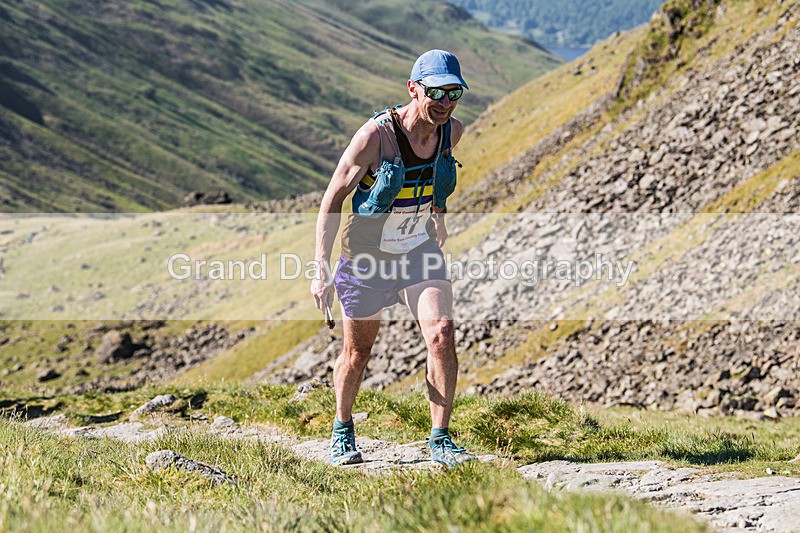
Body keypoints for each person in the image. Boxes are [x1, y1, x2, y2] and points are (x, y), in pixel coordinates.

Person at [310, 49, 474, 468]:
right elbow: (332, 201)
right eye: (435, 91)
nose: (445, 101)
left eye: (454, 91)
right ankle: (342, 428)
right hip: (366, 255)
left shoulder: (451, 131)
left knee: (441, 333)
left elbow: (438, 176)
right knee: (357, 353)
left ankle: (440, 438)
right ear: (413, 88)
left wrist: (438, 217)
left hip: (418, 250)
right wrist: (320, 268)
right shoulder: (374, 137)